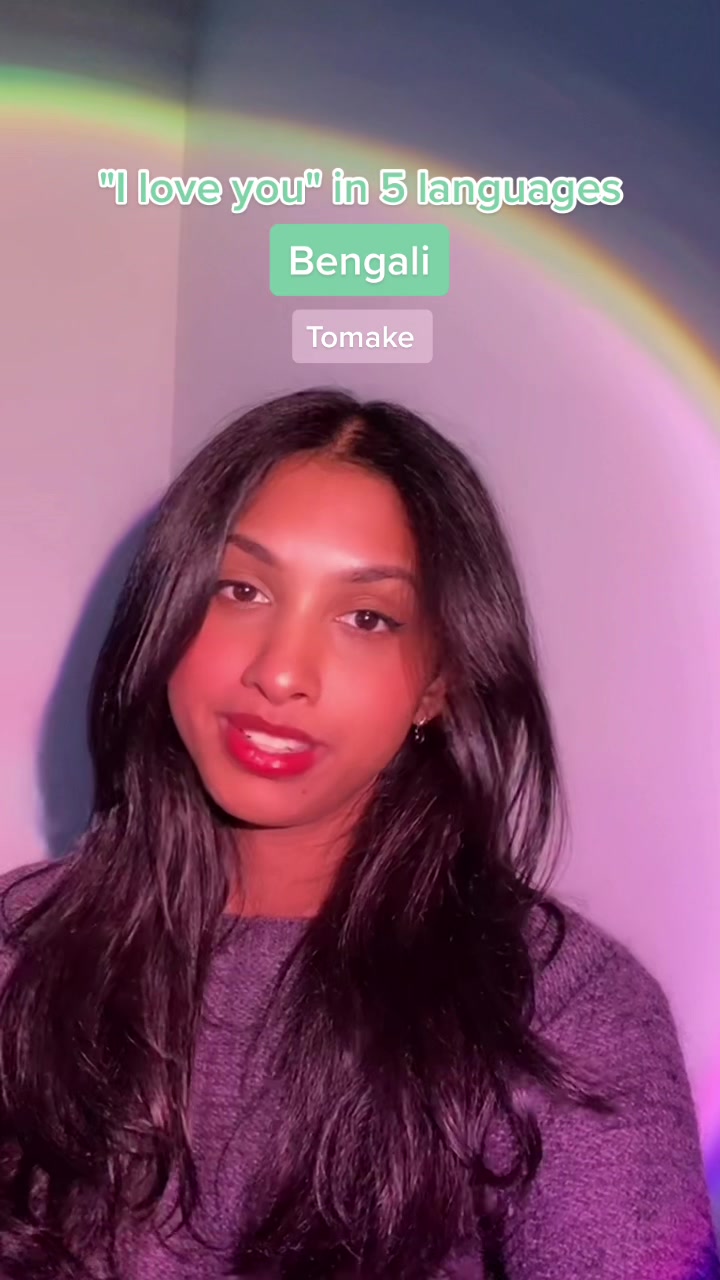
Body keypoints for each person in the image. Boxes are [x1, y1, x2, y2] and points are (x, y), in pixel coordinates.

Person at [0, 388, 716, 1280]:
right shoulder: (22, 948)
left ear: (438, 684)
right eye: (241, 589)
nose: (281, 672)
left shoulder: (561, 1008)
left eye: (366, 618)